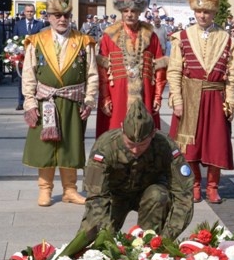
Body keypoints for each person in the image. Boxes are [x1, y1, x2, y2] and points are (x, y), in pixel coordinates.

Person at [21, 0, 98, 207]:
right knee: (45, 147)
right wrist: (29, 102)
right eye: (57, 15)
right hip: (46, 101)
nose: (62, 19)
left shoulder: (84, 41)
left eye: (66, 15)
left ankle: (70, 190)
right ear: (48, 16)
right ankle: (45, 190)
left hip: (72, 101)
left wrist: (90, 99)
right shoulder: (36, 41)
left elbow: (92, 74)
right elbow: (29, 74)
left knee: (70, 146)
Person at [79, 100, 194, 243]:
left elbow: (183, 196)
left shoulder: (165, 146)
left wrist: (165, 239)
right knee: (94, 241)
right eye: (130, 144)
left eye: (142, 145)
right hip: (114, 198)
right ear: (122, 129)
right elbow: (96, 197)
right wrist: (104, 232)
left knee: (158, 195)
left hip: (150, 197)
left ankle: (147, 245)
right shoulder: (105, 146)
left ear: (153, 133)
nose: (135, 150)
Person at [168, 0, 234, 204]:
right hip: (190, 97)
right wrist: (177, 100)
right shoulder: (182, 37)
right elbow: (174, 71)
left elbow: (233, 75)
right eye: (198, 11)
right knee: (192, 145)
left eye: (206, 12)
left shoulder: (227, 39)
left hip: (215, 97)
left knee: (216, 144)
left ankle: (213, 187)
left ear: (214, 13)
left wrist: (230, 101)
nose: (202, 16)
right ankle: (195, 185)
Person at [96, 0, 167, 138]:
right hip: (117, 95)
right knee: (115, 135)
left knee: (144, 135)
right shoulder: (109, 35)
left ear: (139, 12)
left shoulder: (151, 36)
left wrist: (158, 96)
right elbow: (102, 71)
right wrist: (105, 97)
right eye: (126, 10)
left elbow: (160, 68)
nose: (129, 14)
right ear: (121, 12)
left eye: (133, 11)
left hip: (146, 93)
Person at [12, 4, 44, 110]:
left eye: (31, 11)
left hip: (36, 56)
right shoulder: (18, 24)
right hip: (22, 57)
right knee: (22, 79)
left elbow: (43, 40)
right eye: (28, 11)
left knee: (36, 79)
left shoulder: (40, 25)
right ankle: (21, 102)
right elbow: (14, 40)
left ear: (34, 13)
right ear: (24, 12)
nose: (29, 13)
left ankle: (35, 101)